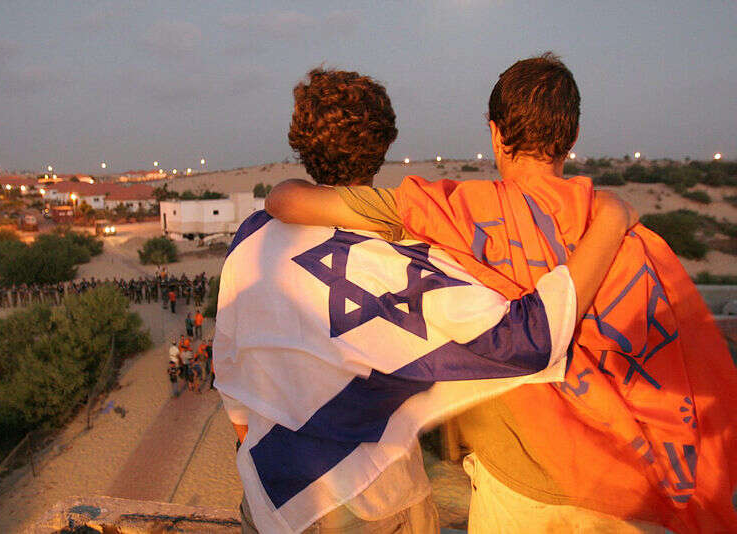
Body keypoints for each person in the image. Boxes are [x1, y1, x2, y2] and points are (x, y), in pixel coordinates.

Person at [265, 56, 737, 533]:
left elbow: (287, 201)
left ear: (494, 132)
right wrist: (613, 214)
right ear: (572, 136)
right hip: (626, 493)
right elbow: (683, 372)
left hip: (518, 492)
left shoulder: (451, 211)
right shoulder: (632, 237)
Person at [218, 68, 634, 534]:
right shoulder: (407, 260)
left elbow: (230, 373)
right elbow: (529, 340)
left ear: (300, 143)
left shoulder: (250, 240)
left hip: (266, 494)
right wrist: (612, 216)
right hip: (371, 503)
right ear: (384, 144)